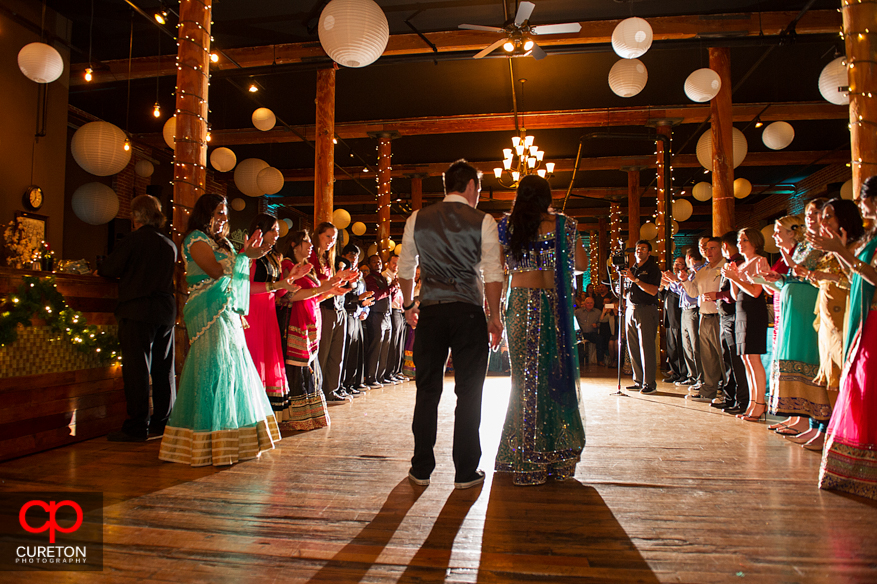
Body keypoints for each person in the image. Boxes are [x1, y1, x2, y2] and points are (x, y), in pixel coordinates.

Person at [397, 159, 504, 490]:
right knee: (469, 393)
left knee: (427, 391)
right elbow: (492, 272)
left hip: (430, 312)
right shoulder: (483, 221)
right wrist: (495, 315)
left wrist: (409, 304)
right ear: (471, 186)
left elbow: (405, 267)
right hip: (468, 314)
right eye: (480, 189)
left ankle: (421, 468)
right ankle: (465, 471)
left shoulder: (418, 218)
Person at [159, 194, 280, 466]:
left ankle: (235, 441)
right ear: (205, 213)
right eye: (219, 212)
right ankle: (208, 442)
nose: (224, 217)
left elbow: (234, 275)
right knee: (212, 368)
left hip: (226, 311)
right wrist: (244, 257)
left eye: (225, 212)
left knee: (234, 368)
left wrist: (246, 258)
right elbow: (214, 272)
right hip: (206, 310)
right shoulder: (194, 240)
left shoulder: (222, 242)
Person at [493, 175, 587, 485]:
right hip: (554, 304)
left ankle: (523, 458)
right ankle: (558, 458)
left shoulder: (506, 227)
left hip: (521, 305)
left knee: (524, 382)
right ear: (548, 195)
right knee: (555, 378)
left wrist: (492, 314)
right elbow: (582, 265)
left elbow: (495, 271)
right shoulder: (565, 225)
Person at [815, 176, 877, 499]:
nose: (860, 203)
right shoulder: (870, 236)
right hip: (862, 314)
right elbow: (855, 272)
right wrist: (840, 252)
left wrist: (843, 253)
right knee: (857, 381)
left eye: (863, 198)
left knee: (865, 382)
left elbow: (874, 276)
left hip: (874, 317)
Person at [99, 194, 177, 442]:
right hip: (164, 311)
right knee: (164, 369)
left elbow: (109, 269)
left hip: (137, 309)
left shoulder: (133, 241)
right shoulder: (169, 243)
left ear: (136, 216)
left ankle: (136, 426)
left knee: (137, 369)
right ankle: (162, 422)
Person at [793, 199, 865, 451]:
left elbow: (855, 281)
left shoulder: (857, 246)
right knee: (830, 377)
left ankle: (849, 435)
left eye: (828, 216)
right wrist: (815, 277)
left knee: (846, 377)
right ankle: (834, 433)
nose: (823, 222)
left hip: (847, 316)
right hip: (826, 318)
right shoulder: (832, 248)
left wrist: (832, 269)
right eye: (821, 217)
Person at [761, 199, 825, 437]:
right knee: (790, 359)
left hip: (806, 304)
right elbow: (790, 277)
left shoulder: (817, 245)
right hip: (790, 304)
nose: (775, 236)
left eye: (779, 232)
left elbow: (803, 272)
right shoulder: (801, 247)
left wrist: (786, 266)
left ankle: (810, 420)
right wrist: (775, 279)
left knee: (805, 357)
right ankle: (795, 414)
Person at [276, 230, 349, 428]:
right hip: (294, 322)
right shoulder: (287, 266)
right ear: (293, 244)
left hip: (310, 321)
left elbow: (314, 297)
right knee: (297, 368)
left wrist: (331, 288)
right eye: (305, 242)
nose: (310, 246)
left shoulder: (308, 269)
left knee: (310, 368)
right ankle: (296, 419)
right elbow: (287, 296)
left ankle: (311, 416)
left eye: (310, 242)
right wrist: (322, 289)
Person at [242, 214, 307, 420]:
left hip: (269, 312)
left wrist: (291, 279)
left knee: (269, 358)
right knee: (254, 357)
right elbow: (245, 286)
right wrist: (277, 285)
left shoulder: (273, 256)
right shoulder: (248, 254)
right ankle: (250, 410)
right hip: (252, 311)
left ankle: (268, 412)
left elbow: (279, 293)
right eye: (274, 230)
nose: (278, 234)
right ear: (260, 230)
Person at [665, 237, 725, 402]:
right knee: (707, 356)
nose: (708, 251)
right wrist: (684, 280)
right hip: (704, 315)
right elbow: (692, 293)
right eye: (706, 248)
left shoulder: (724, 268)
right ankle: (708, 389)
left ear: (722, 249)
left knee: (721, 356)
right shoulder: (703, 271)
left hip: (718, 315)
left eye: (712, 248)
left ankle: (724, 389)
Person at [721, 228, 770, 421]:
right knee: (746, 360)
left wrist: (735, 278)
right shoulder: (742, 265)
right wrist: (733, 277)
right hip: (740, 310)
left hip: (754, 311)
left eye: (744, 240)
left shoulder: (759, 261)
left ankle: (760, 403)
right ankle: (752, 402)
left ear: (755, 242)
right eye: (739, 240)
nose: (740, 243)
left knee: (754, 359)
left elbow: (756, 291)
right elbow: (733, 295)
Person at [309, 222, 352, 403]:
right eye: (328, 236)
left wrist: (341, 281)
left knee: (336, 353)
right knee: (322, 353)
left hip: (336, 306)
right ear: (318, 235)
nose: (331, 241)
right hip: (322, 307)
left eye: (334, 238)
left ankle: (331, 389)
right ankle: (318, 390)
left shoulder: (328, 259)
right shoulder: (311, 257)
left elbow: (329, 283)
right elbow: (315, 284)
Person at [622, 240, 663, 394]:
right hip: (631, 309)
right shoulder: (632, 268)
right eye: (638, 248)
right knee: (633, 347)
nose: (639, 251)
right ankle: (638, 380)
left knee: (646, 347)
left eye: (643, 248)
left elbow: (653, 291)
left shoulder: (653, 268)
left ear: (649, 252)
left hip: (646, 309)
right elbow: (628, 289)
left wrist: (635, 280)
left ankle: (650, 383)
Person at [659, 256, 686, 383]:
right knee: (671, 347)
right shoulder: (670, 279)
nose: (677, 265)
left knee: (679, 346)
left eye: (680, 263)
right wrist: (662, 286)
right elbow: (663, 297)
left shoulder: (682, 279)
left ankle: (683, 373)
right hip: (668, 316)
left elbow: (679, 295)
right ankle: (674, 372)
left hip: (678, 315)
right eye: (676, 263)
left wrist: (669, 284)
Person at [575, 296, 606, 366]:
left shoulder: (598, 312)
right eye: (588, 303)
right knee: (577, 341)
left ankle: (600, 360)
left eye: (591, 303)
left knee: (600, 339)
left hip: (592, 332)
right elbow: (573, 321)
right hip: (581, 333)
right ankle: (580, 361)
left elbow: (601, 322)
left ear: (594, 303)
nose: (589, 304)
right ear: (585, 304)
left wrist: (597, 325)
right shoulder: (578, 312)